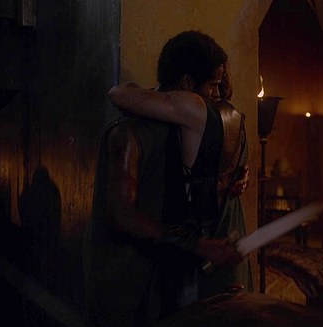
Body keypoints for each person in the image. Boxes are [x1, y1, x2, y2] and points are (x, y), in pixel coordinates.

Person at [108, 30, 253, 302]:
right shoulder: (201, 110)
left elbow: (119, 92)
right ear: (187, 83)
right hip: (195, 269)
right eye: (212, 85)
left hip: (201, 267)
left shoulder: (203, 114)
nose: (217, 95)